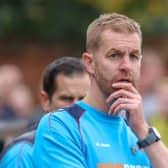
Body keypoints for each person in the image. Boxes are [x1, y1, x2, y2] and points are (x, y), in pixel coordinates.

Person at [33, 13, 168, 168]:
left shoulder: (140, 134)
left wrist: (143, 130)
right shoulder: (60, 126)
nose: (127, 66)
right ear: (89, 63)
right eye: (114, 55)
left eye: (134, 56)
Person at [0, 56, 90, 167]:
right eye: (66, 98)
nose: (76, 107)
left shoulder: (100, 145)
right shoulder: (24, 154)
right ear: (45, 101)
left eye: (83, 99)